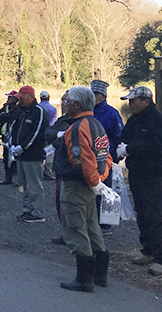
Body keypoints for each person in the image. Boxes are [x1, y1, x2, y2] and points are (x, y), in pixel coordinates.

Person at [55, 86, 112, 293]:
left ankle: (84, 279)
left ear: (77, 104)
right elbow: (105, 154)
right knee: (92, 226)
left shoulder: (77, 128)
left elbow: (82, 160)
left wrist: (94, 180)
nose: (65, 104)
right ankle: (100, 275)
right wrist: (99, 179)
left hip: (76, 185)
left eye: (68, 101)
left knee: (76, 227)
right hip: (90, 184)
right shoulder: (96, 124)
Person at [120, 86, 162, 276]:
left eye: (133, 101)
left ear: (146, 101)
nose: (130, 104)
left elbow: (159, 147)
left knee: (157, 215)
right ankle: (149, 250)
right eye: (129, 101)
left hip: (155, 175)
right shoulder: (134, 120)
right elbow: (124, 138)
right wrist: (120, 148)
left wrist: (131, 149)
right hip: (136, 173)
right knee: (142, 213)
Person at [11, 85, 49, 223]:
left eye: (22, 98)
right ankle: (27, 209)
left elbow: (37, 134)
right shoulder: (22, 111)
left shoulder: (39, 112)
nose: (20, 100)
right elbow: (15, 129)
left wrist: (22, 147)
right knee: (22, 184)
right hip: (20, 155)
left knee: (34, 185)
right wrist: (12, 143)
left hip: (33, 156)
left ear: (31, 97)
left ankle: (38, 213)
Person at [91, 79, 124, 236]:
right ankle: (92, 221)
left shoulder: (111, 113)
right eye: (92, 94)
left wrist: (116, 156)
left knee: (104, 190)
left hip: (106, 157)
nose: (95, 97)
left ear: (103, 96)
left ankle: (105, 224)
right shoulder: (87, 111)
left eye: (97, 94)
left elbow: (118, 135)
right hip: (88, 156)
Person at [44, 91, 75, 245]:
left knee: (74, 203)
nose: (63, 105)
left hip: (74, 170)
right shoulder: (61, 120)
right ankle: (65, 232)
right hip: (60, 167)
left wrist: (61, 140)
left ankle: (77, 235)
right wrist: (58, 136)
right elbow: (48, 133)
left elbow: (71, 144)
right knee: (60, 201)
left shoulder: (82, 122)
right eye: (62, 101)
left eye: (67, 101)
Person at [0, 90, 20, 185]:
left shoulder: (18, 108)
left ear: (15, 98)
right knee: (6, 157)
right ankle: (8, 178)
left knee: (15, 158)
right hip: (5, 136)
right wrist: (5, 116)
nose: (8, 99)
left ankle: (18, 180)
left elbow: (13, 117)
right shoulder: (6, 106)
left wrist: (5, 116)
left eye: (10, 97)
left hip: (15, 137)